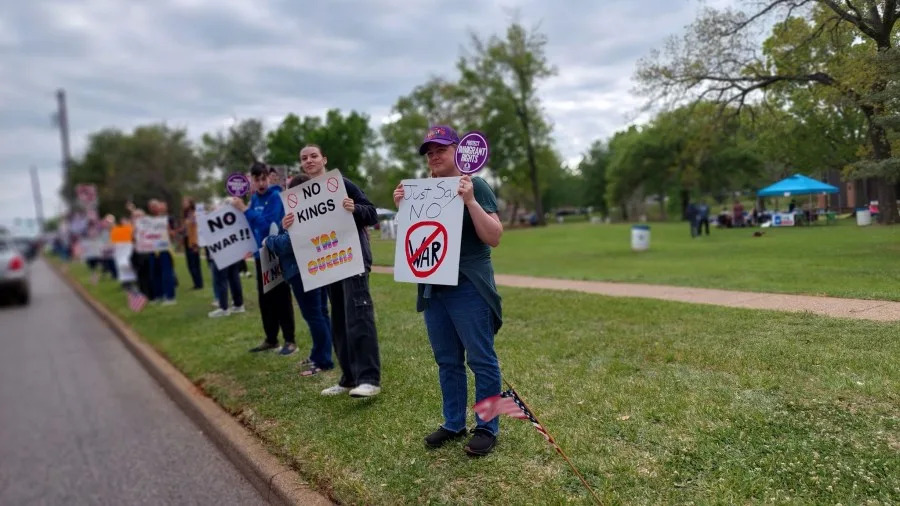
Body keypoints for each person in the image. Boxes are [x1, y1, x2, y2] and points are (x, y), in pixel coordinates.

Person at [393, 125, 505, 457]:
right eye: (429, 152)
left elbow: (495, 236)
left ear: (458, 150)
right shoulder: (425, 190)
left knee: (482, 360)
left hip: (469, 286)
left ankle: (486, 426)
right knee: (447, 361)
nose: (434, 156)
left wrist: (470, 200)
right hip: (435, 289)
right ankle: (453, 423)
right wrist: (402, 206)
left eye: (440, 149)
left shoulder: (477, 185)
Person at [293, 144, 382, 398]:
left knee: (359, 316)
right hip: (328, 263)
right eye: (304, 158)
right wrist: (290, 224)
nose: (309, 160)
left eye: (313, 156)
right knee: (340, 322)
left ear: (324, 159)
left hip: (352, 259)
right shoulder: (300, 197)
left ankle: (369, 379)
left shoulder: (342, 184)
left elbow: (371, 213)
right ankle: (348, 378)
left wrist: (353, 207)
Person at [265, 173, 335, 376]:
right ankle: (319, 354)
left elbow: (286, 244)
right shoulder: (317, 209)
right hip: (317, 267)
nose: (286, 193)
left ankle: (323, 360)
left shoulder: (298, 212)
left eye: (289, 189)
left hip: (301, 271)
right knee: (321, 313)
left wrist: (270, 240)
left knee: (314, 315)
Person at [229, 162, 296, 355]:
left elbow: (267, 224)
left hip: (276, 254)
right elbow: (252, 227)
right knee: (265, 299)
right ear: (251, 180)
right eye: (256, 179)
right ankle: (271, 338)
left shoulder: (275, 197)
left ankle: (290, 340)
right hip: (260, 255)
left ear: (269, 177)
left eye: (263, 178)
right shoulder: (254, 200)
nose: (260, 183)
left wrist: (244, 209)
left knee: (281, 297)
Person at [181, 197, 204, 290]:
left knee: (194, 263)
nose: (183, 203)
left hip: (193, 240)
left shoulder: (194, 214)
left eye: (185, 202)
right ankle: (196, 283)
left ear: (190, 203)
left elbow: (196, 228)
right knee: (190, 263)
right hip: (187, 239)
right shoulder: (185, 215)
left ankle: (198, 284)